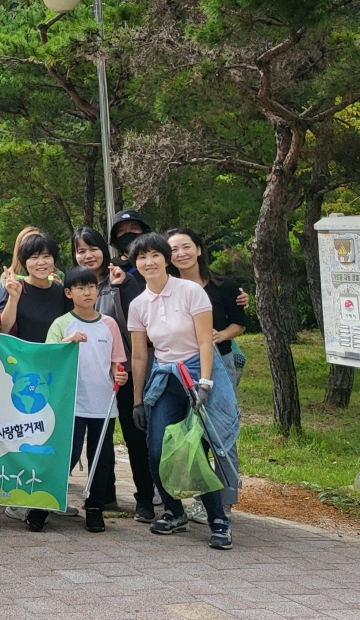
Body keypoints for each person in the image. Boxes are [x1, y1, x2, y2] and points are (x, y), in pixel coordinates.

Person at [127, 233, 238, 550]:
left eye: (154, 255)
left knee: (198, 449)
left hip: (198, 376)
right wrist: (137, 401)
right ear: (137, 264)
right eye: (142, 257)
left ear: (166, 259)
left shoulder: (190, 292)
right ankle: (174, 512)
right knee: (158, 450)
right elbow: (139, 355)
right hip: (165, 379)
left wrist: (205, 384)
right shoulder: (138, 305)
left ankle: (219, 520)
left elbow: (206, 341)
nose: (149, 262)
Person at [24, 266, 128, 533]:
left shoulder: (109, 324)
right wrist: (67, 341)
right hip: (70, 402)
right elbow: (47, 358)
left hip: (103, 403)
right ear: (69, 292)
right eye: (80, 288)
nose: (87, 292)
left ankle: (94, 507)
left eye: (91, 287)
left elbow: (117, 363)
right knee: (65, 455)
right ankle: (42, 505)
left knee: (101, 457)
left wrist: (120, 375)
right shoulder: (62, 324)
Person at [71, 226, 154, 522]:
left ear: (103, 251)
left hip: (126, 371)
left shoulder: (121, 278)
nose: (87, 255)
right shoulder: (72, 285)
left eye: (92, 248)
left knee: (135, 436)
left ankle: (145, 498)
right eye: (80, 250)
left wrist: (122, 285)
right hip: (92, 377)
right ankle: (103, 494)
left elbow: (139, 319)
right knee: (99, 437)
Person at [167, 227, 248, 523]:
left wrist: (217, 336)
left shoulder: (223, 285)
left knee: (222, 429)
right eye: (174, 249)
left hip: (220, 364)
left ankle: (224, 502)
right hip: (181, 366)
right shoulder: (166, 287)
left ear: (199, 249)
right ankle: (199, 497)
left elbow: (239, 324)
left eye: (186, 247)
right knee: (189, 431)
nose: (181, 254)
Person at [0, 232, 72, 343]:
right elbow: (4, 330)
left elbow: (70, 326)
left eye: (46, 256)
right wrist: (13, 298)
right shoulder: (15, 288)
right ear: (24, 262)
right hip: (20, 357)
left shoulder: (61, 291)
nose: (41, 262)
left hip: (53, 356)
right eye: (34, 257)